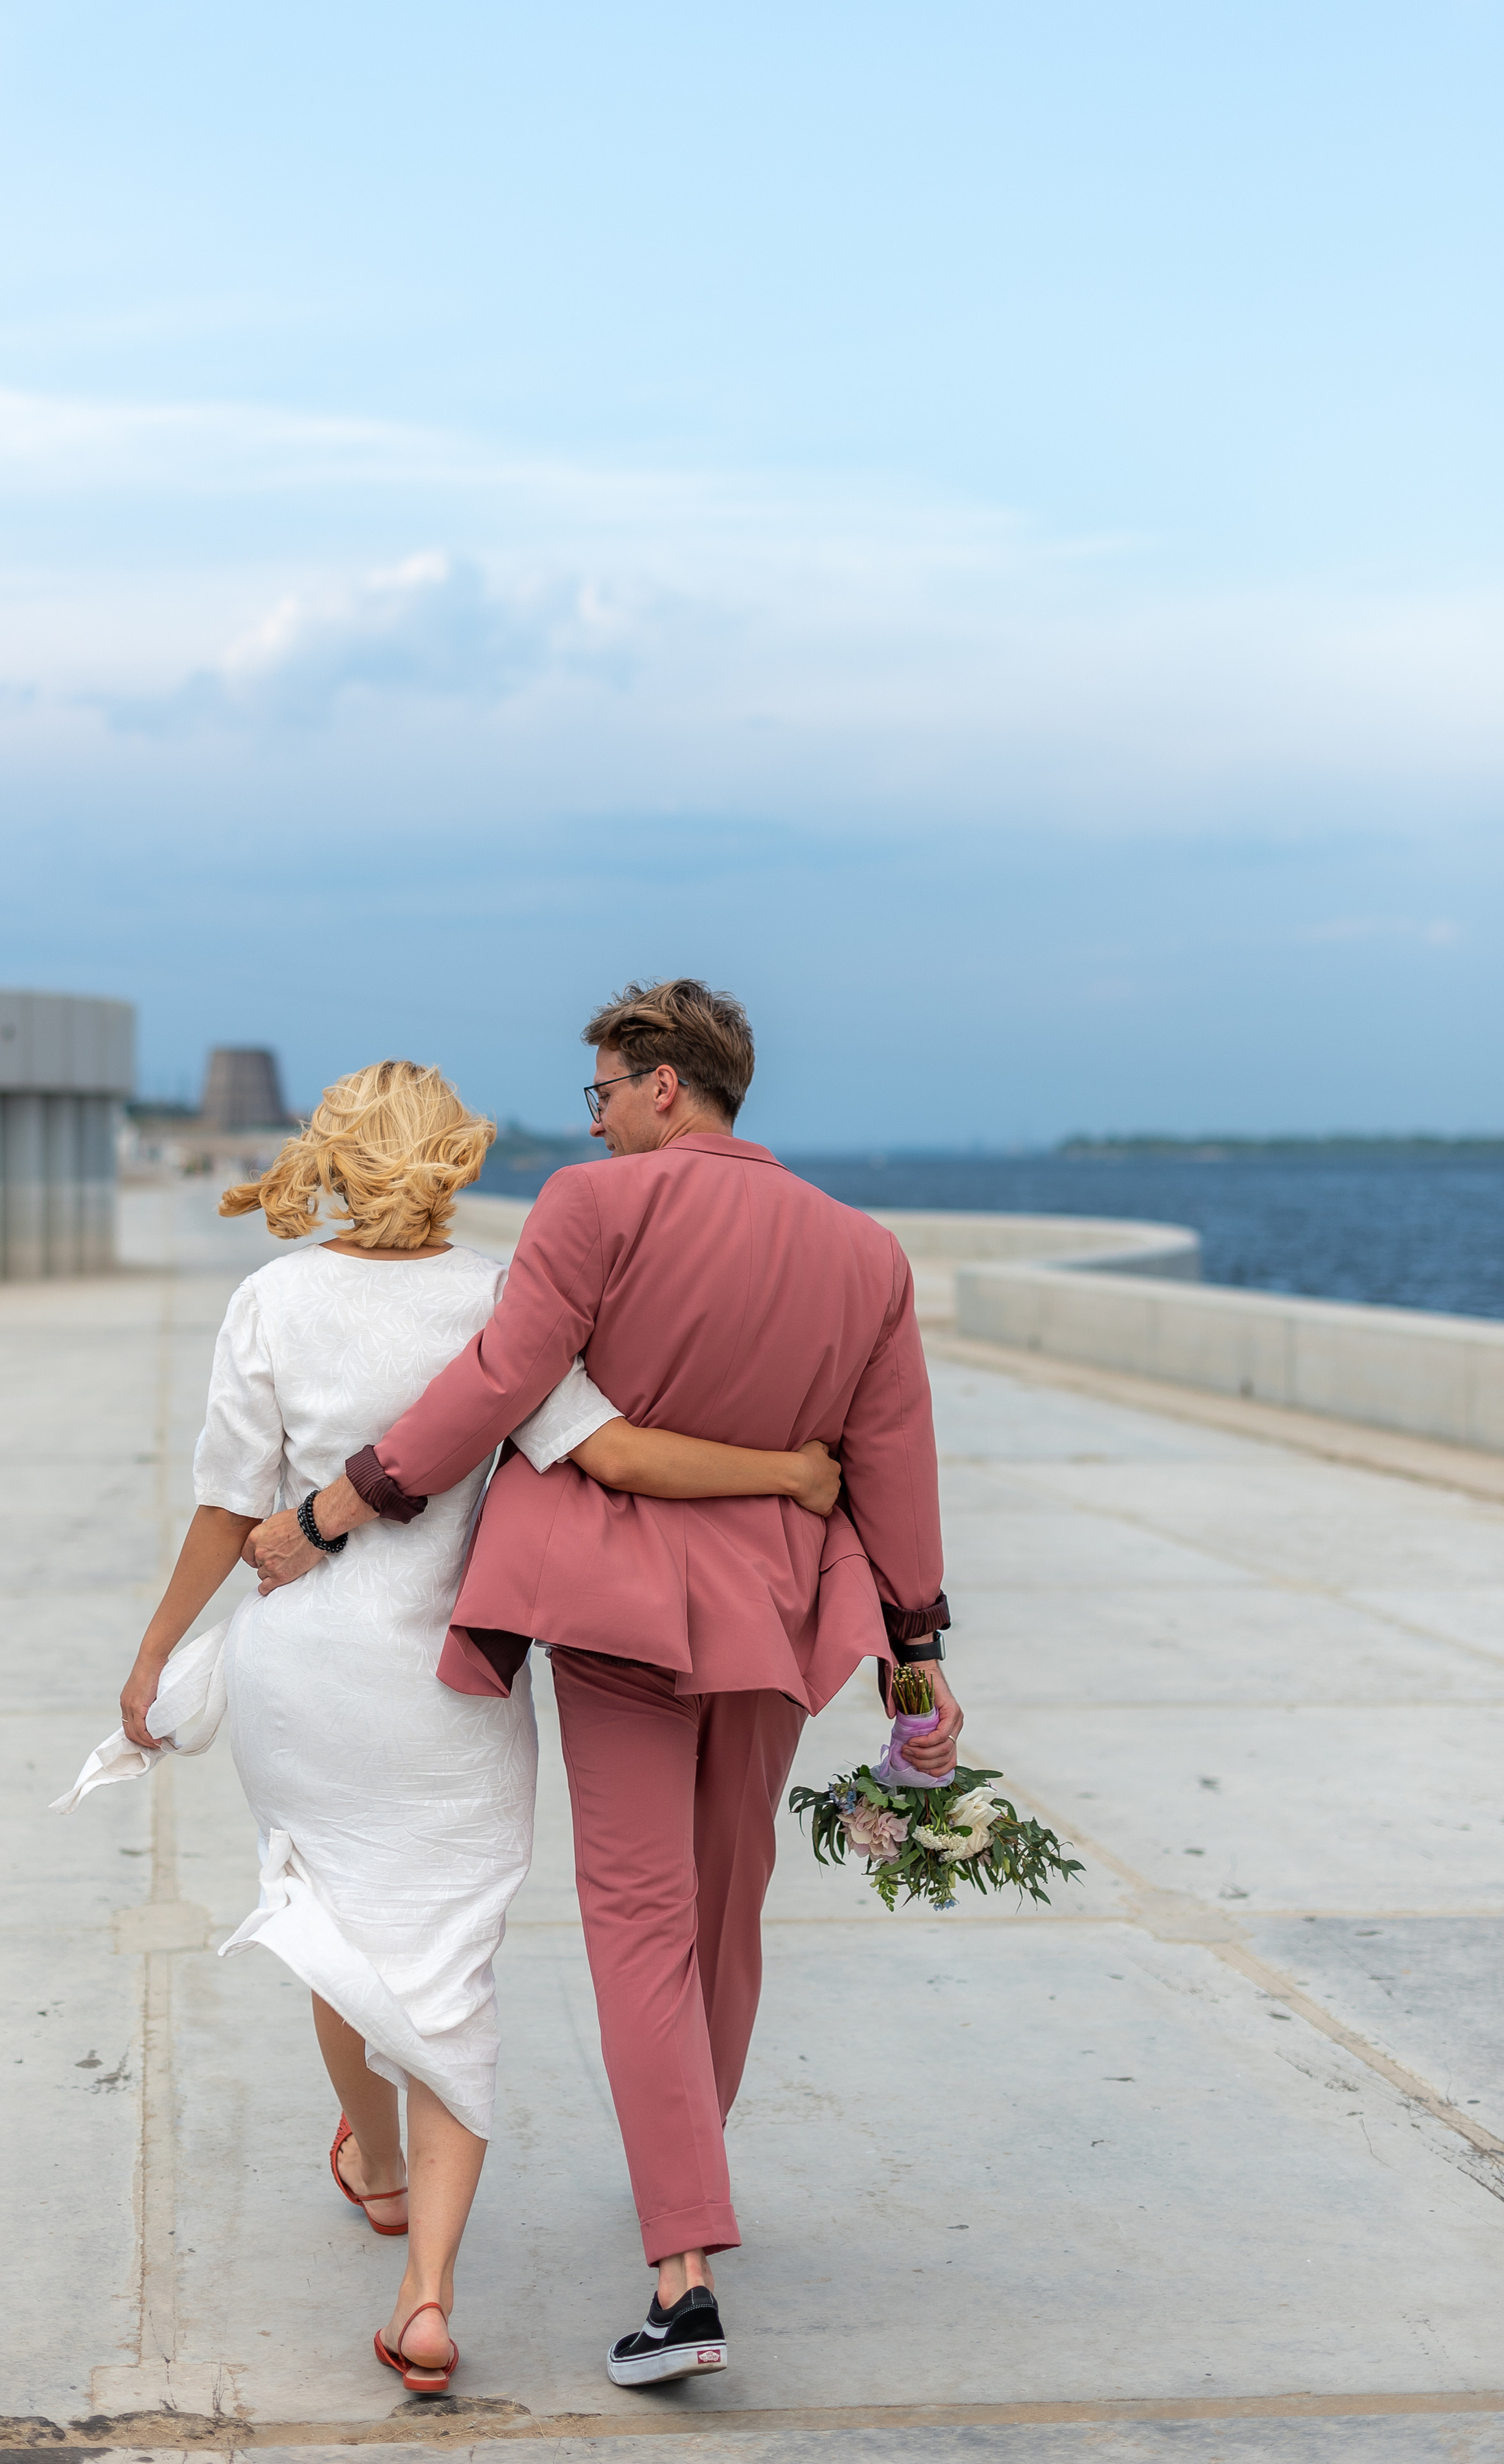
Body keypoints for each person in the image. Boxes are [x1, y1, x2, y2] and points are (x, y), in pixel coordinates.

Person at [244, 984, 963, 2389]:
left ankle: (684, 2277)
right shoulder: (863, 1251)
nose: (593, 1120)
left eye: (598, 1095)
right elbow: (894, 1457)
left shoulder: (590, 1207)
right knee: (724, 1910)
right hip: (777, 1616)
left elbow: (501, 1382)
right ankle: (678, 2217)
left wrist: (340, 1508)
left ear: (659, 1088)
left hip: (620, 1613)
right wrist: (917, 1652)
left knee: (638, 1921)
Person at [108, 1059, 848, 2398]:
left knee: (328, 1917)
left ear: (330, 1161)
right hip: (457, 1677)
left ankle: (374, 2164)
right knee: (451, 1965)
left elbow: (228, 1508)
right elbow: (614, 1454)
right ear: (457, 1161)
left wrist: (156, 1650)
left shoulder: (270, 1298)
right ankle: (429, 2297)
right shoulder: (505, 1294)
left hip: (306, 1669)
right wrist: (787, 1472)